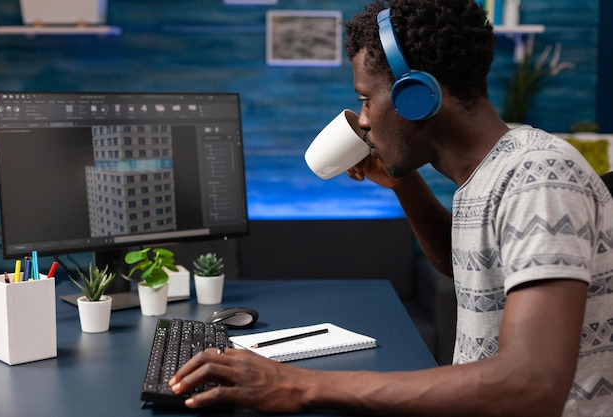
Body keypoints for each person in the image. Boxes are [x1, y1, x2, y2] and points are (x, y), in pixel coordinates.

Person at [169, 1, 613, 415]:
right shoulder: (490, 174)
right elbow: (464, 268)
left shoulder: (539, 176)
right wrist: (403, 183)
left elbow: (531, 383)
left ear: (416, 96)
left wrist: (300, 385)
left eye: (365, 98)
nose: (362, 120)